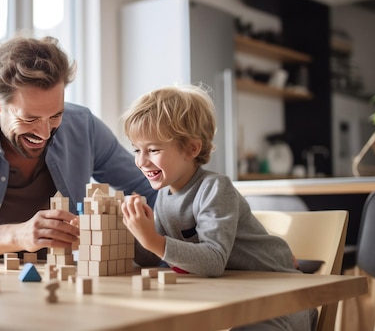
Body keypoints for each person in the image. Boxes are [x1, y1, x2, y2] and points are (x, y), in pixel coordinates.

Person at [0, 34, 156, 261]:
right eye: (29, 119)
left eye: (56, 115)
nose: (45, 133)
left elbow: (149, 189)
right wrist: (20, 235)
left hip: (61, 276)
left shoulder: (83, 126)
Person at [120, 84, 317, 331]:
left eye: (153, 149)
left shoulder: (214, 188)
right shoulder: (164, 198)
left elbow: (213, 260)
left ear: (192, 148)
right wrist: (134, 232)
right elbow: (153, 257)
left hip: (281, 294)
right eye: (137, 149)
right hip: (239, 294)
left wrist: (152, 240)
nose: (140, 160)